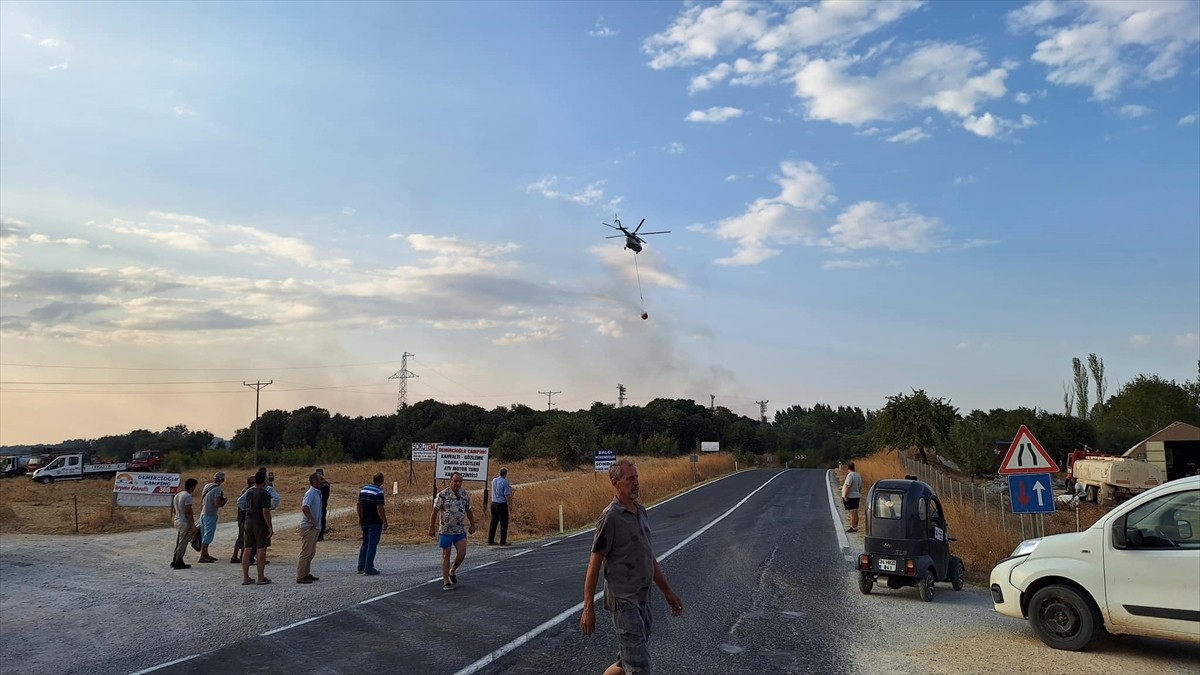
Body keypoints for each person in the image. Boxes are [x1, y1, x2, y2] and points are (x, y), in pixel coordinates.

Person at [580, 459, 683, 675]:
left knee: (625, 660)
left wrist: (667, 592)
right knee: (639, 666)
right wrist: (588, 607)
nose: (636, 483)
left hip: (642, 598)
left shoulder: (640, 511)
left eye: (637, 477)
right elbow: (594, 564)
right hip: (624, 601)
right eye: (630, 479)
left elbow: (648, 557)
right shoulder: (610, 517)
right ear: (615, 482)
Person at [429, 471, 476, 591]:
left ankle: (453, 570)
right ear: (450, 481)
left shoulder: (465, 494)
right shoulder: (442, 495)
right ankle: (446, 581)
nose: (457, 483)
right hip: (446, 530)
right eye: (455, 481)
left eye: (460, 481)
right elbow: (435, 512)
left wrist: (472, 524)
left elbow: (469, 511)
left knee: (462, 553)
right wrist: (431, 527)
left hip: (459, 530)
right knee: (446, 554)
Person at [241, 469, 274, 585]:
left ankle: (246, 577)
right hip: (259, 523)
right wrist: (270, 526)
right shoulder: (265, 493)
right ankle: (260, 577)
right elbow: (265, 511)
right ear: (265, 481)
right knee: (261, 549)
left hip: (248, 521)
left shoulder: (249, 491)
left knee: (247, 549)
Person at [357, 472, 387, 575]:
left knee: (365, 543)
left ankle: (361, 566)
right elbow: (380, 507)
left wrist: (361, 517)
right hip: (375, 521)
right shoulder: (379, 492)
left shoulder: (364, 489)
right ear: (381, 480)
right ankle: (369, 567)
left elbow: (359, 504)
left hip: (365, 520)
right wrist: (384, 521)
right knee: (372, 544)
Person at [296, 471, 323, 584]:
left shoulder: (317, 493)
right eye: (320, 479)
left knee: (311, 552)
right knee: (306, 552)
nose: (322, 481)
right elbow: (305, 507)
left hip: (315, 526)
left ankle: (306, 573)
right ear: (314, 481)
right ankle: (301, 575)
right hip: (309, 526)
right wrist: (312, 520)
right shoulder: (311, 493)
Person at [197, 472, 227, 563]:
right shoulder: (217, 489)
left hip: (203, 513)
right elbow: (217, 503)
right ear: (222, 480)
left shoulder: (207, 486)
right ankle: (203, 556)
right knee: (208, 535)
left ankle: (205, 554)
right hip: (210, 514)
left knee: (204, 535)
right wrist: (224, 501)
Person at [170, 478, 198, 570]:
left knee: (179, 542)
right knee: (183, 543)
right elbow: (188, 511)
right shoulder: (188, 496)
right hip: (184, 521)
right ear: (193, 486)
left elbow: (174, 509)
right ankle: (178, 562)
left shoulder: (178, 495)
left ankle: (175, 560)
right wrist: (193, 525)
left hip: (177, 519)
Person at [231, 475, 255, 563]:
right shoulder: (248, 491)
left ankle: (241, 556)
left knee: (244, 538)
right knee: (242, 537)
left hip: (243, 517)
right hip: (243, 518)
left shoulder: (247, 490)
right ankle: (235, 556)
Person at [488, 467, 513, 546]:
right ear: (505, 474)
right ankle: (503, 541)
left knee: (493, 522)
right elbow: (507, 495)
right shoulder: (505, 482)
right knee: (503, 523)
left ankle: (490, 539)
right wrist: (510, 504)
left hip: (494, 503)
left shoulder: (494, 480)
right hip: (501, 504)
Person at [842, 461, 863, 533]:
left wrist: (845, 495)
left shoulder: (850, 476)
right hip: (856, 495)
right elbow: (860, 486)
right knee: (855, 511)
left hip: (850, 496)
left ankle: (853, 527)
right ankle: (855, 526)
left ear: (848, 468)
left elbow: (848, 486)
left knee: (852, 512)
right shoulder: (858, 475)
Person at [316, 468, 331, 542]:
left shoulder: (325, 484)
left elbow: (327, 495)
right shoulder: (315, 484)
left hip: (322, 503)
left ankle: (321, 534)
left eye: (320, 474)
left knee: (322, 519)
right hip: (316, 504)